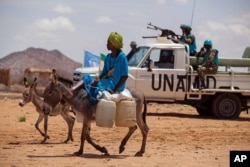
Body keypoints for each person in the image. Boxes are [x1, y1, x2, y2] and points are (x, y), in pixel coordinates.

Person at [71, 32, 128, 99]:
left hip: (116, 85)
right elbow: (104, 73)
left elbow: (124, 76)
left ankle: (72, 92)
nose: (107, 44)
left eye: (108, 42)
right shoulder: (108, 57)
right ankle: (73, 90)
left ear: (114, 44)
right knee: (88, 78)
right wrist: (98, 78)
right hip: (107, 81)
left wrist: (114, 90)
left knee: (95, 85)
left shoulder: (122, 57)